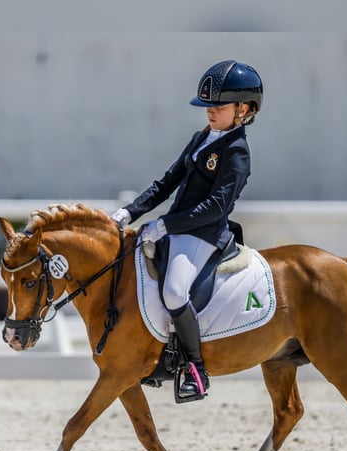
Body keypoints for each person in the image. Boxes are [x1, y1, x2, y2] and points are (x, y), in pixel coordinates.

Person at [112, 60, 263, 400]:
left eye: (219, 106)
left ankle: (195, 367)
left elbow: (216, 207)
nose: (210, 112)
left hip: (203, 234)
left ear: (244, 109)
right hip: (175, 228)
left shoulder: (237, 151)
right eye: (208, 106)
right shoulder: (201, 138)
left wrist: (166, 225)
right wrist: (128, 212)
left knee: (175, 293)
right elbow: (166, 184)